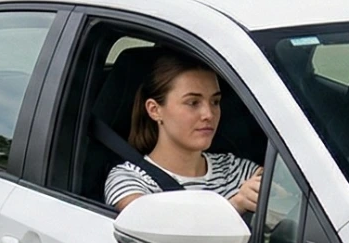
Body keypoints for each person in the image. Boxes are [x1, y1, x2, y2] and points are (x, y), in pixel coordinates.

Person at [104, 50, 261, 213]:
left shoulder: (234, 169)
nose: (208, 114)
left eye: (215, 101)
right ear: (154, 110)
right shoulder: (129, 180)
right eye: (193, 103)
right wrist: (234, 206)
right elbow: (157, 228)